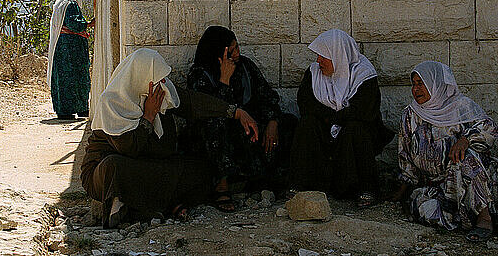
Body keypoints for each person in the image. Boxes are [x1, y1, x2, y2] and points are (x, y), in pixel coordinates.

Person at [80, 48, 259, 228]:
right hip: (109, 171)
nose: (162, 82)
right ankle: (140, 207)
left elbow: (190, 102)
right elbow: (129, 149)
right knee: (114, 166)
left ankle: (150, 206)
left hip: (150, 166)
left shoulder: (159, 91)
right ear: (141, 76)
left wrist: (235, 112)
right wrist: (148, 117)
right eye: (157, 77)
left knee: (200, 171)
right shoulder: (111, 103)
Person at [186, 25, 295, 212]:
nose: (237, 53)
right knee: (215, 127)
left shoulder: (245, 67)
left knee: (290, 123)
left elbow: (267, 97)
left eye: (237, 48)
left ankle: (273, 180)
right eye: (232, 49)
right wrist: (224, 81)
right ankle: (222, 184)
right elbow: (209, 110)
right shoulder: (200, 74)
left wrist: (272, 122)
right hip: (221, 133)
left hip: (250, 129)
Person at [391, 61, 497, 242]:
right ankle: (465, 217)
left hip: (469, 178)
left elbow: (489, 129)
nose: (416, 89)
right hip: (438, 187)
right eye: (414, 84)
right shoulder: (410, 114)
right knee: (421, 207)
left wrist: (466, 139)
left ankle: (484, 217)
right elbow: (406, 154)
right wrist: (402, 189)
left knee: (466, 158)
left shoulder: (461, 106)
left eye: (421, 84)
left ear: (436, 83)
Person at [290, 29, 394, 206]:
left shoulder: (364, 75)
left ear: (338, 55)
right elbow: (306, 104)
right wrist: (332, 118)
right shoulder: (314, 73)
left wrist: (334, 118)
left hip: (352, 131)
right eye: (318, 55)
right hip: (326, 127)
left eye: (323, 56)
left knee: (356, 128)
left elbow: (363, 111)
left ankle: (365, 189)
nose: (318, 61)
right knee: (307, 124)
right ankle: (303, 186)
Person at [47, 0, 95, 120]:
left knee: (63, 77)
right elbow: (74, 24)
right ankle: (79, 108)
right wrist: (88, 24)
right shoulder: (71, 5)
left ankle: (65, 110)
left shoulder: (60, 4)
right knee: (77, 75)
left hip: (61, 46)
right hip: (71, 48)